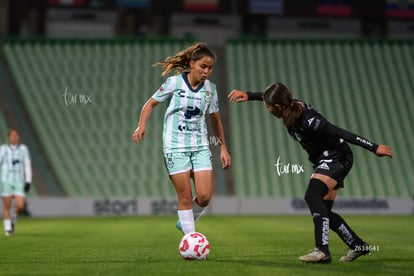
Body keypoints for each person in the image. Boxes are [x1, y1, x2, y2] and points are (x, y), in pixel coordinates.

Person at [228, 83, 392, 263]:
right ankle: (358, 246)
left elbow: (341, 133)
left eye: (267, 106)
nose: (266, 108)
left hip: (337, 158)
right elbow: (267, 97)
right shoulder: (288, 106)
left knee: (312, 195)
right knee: (324, 212)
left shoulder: (310, 122)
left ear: (277, 108)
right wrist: (249, 95)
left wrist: (374, 147)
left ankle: (322, 251)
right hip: (326, 159)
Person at [132, 42, 231, 235]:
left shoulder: (211, 89)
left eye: (210, 68)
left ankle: (186, 221)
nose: (207, 71)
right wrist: (141, 125)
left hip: (201, 146)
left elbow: (216, 121)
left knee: (204, 197)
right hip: (175, 147)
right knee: (185, 196)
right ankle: (190, 238)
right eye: (203, 66)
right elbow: (150, 104)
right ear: (192, 63)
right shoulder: (174, 83)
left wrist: (223, 148)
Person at [0, 128, 32, 236]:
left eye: (16, 135)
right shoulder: (3, 149)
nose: (14, 137)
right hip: (6, 180)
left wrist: (28, 181)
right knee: (7, 205)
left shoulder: (23, 149)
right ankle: (7, 229)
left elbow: (27, 164)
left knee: (20, 205)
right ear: (8, 137)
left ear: (19, 137)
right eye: (12, 135)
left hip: (19, 180)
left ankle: (13, 218)